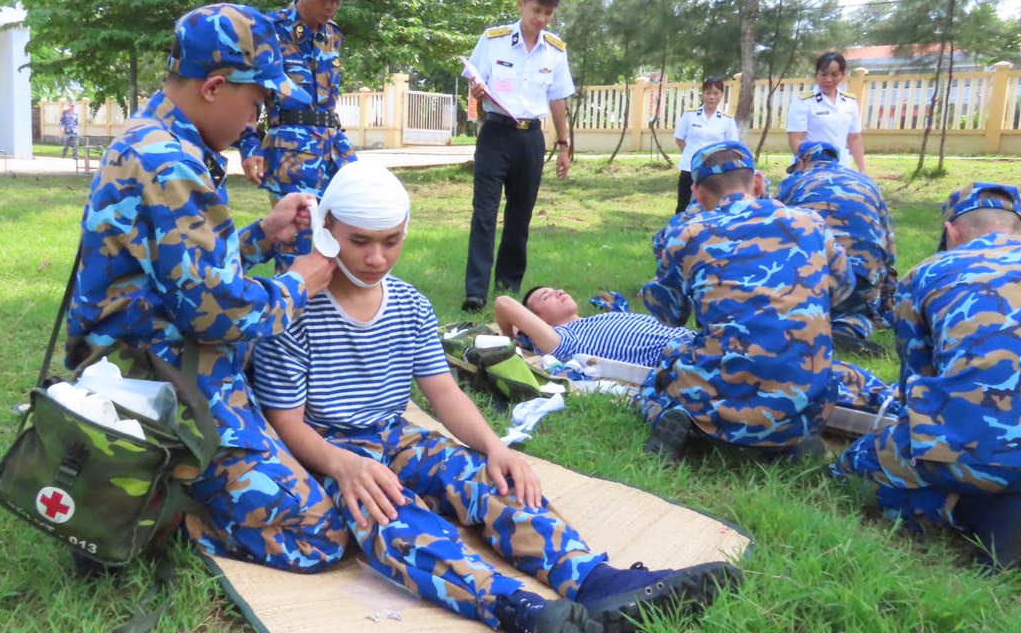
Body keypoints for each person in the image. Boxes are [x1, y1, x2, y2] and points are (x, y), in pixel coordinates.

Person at [255, 161, 740, 633]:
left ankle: (596, 582)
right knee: (392, 519)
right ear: (326, 230)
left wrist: (494, 447)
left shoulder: (410, 304)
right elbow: (286, 420)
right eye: (359, 241)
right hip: (331, 450)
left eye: (392, 240)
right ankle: (520, 609)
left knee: (494, 481)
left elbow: (444, 392)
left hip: (397, 436)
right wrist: (343, 466)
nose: (377, 257)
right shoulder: (293, 309)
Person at [64, 3, 350, 575]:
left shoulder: (156, 138)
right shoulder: (169, 163)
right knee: (318, 528)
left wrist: (263, 236)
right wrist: (300, 282)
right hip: (159, 378)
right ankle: (166, 511)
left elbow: (180, 270)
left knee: (315, 431)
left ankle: (178, 485)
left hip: (151, 353)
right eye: (257, 101)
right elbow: (216, 316)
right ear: (215, 87)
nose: (257, 118)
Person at [832, 183, 1021, 570]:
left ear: (951, 232)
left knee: (853, 467)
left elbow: (916, 388)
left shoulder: (926, 273)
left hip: (982, 448)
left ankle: (986, 512)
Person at [639, 142, 854, 461]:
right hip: (809, 399)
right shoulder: (810, 223)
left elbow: (670, 314)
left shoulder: (687, 235)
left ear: (697, 194)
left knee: (669, 358)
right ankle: (786, 439)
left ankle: (673, 416)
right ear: (758, 182)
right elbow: (844, 288)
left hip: (721, 391)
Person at [238, 0, 359, 275]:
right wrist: (249, 147)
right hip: (292, 153)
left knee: (354, 226)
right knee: (299, 242)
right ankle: (291, 303)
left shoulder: (333, 35)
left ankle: (339, 302)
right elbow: (251, 95)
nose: (331, 5)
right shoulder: (269, 30)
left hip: (334, 147)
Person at [462, 0, 575, 313]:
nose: (541, 19)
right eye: (536, 10)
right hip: (495, 133)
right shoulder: (493, 40)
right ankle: (476, 291)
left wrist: (564, 145)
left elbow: (558, 100)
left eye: (548, 13)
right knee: (484, 212)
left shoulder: (555, 51)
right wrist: (476, 93)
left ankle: (507, 287)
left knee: (520, 216)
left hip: (530, 139)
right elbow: (474, 83)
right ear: (521, 5)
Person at [776, 141, 897, 356]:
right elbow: (888, 245)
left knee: (799, 307)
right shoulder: (866, 183)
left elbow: (775, 234)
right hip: (862, 277)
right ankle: (848, 328)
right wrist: (887, 304)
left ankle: (807, 325)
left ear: (801, 163)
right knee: (862, 311)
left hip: (811, 278)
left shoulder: (792, 183)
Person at [494, 288, 692, 368]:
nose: (559, 292)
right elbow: (503, 303)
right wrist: (510, 336)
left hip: (697, 339)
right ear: (538, 321)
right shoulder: (563, 339)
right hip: (679, 357)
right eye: (546, 296)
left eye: (556, 289)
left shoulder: (602, 318)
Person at [786, 51, 866, 173]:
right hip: (810, 168)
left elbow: (854, 138)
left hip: (841, 167)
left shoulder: (850, 102)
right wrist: (808, 164)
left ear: (842, 74)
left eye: (834, 75)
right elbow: (795, 139)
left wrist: (862, 169)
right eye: (823, 74)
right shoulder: (803, 102)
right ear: (817, 74)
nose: (828, 80)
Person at [673, 78, 738, 213]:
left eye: (716, 93)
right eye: (708, 93)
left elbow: (732, 146)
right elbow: (679, 138)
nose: (711, 97)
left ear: (722, 94)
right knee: (683, 205)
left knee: (712, 206)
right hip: (689, 168)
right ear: (702, 94)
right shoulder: (690, 115)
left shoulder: (727, 120)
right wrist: (692, 155)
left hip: (714, 170)